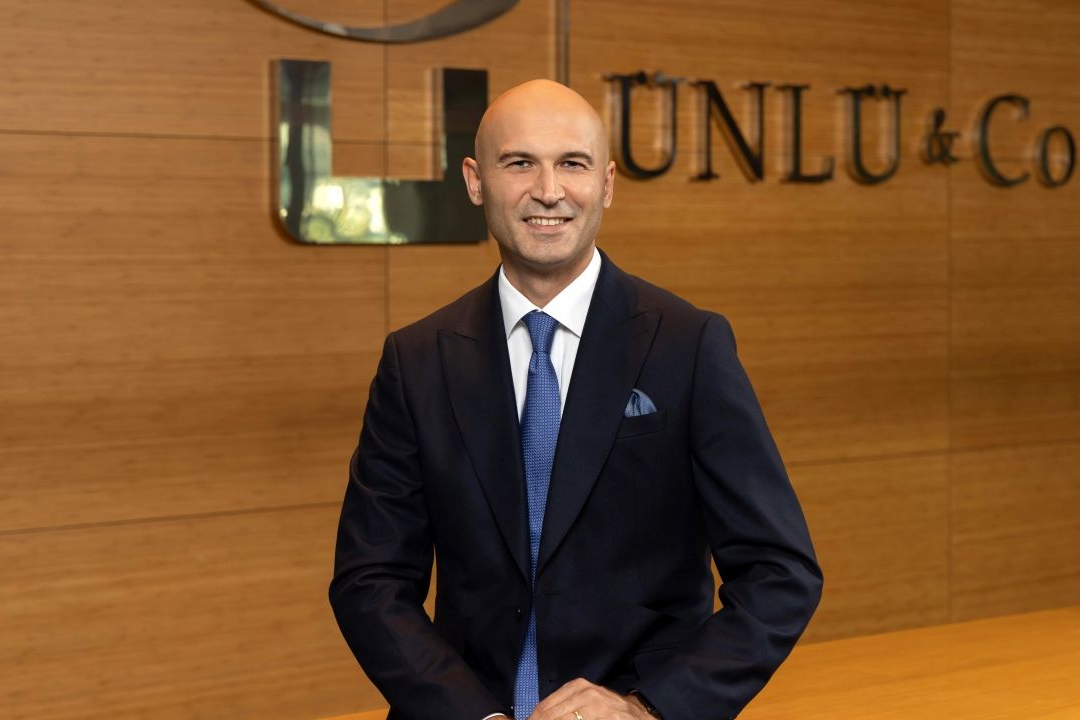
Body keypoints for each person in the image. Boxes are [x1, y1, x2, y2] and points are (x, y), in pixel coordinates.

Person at [329, 79, 822, 720]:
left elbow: (780, 572)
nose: (548, 190)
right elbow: (370, 581)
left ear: (607, 183)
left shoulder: (689, 344)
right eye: (519, 163)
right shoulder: (417, 358)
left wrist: (648, 708)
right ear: (475, 181)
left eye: (572, 163)